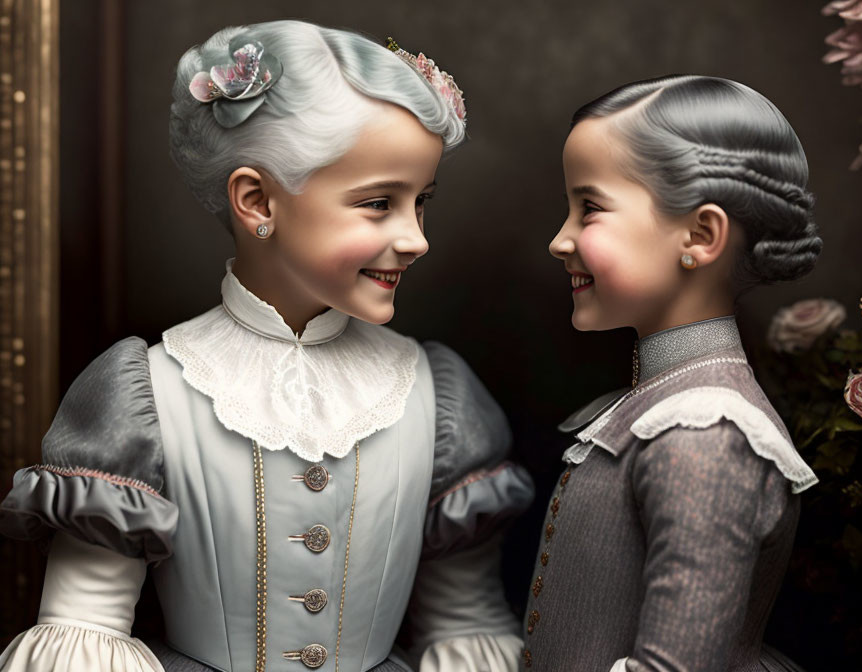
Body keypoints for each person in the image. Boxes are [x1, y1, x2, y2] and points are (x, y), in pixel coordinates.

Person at [0, 20, 532, 672]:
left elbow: (466, 623)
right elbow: (84, 632)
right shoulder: (148, 392)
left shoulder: (437, 397)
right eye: (377, 204)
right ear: (257, 201)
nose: (416, 237)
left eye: (420, 202)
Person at [521, 75, 820, 671]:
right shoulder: (663, 402)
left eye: (591, 209)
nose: (560, 240)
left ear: (700, 235)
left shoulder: (705, 432)